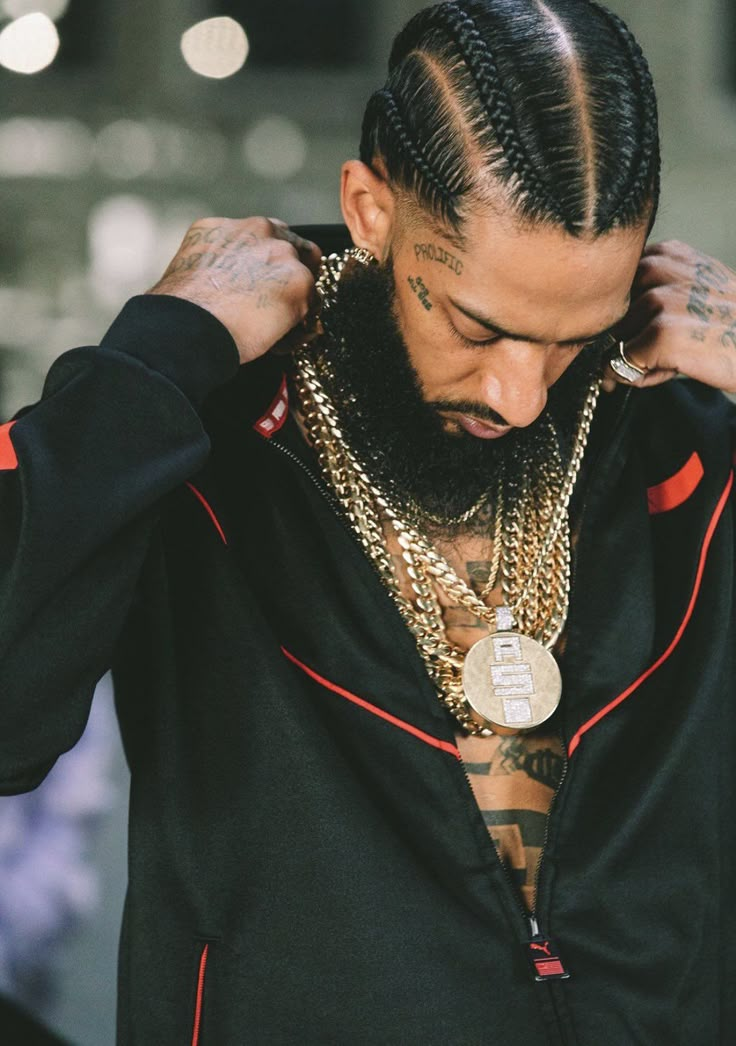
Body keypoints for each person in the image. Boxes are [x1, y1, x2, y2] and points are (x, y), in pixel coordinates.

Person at [1, 0, 735, 1042]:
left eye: (578, 331)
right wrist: (156, 354)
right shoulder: (205, 433)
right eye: (480, 325)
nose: (521, 393)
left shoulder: (686, 435)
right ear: (369, 207)